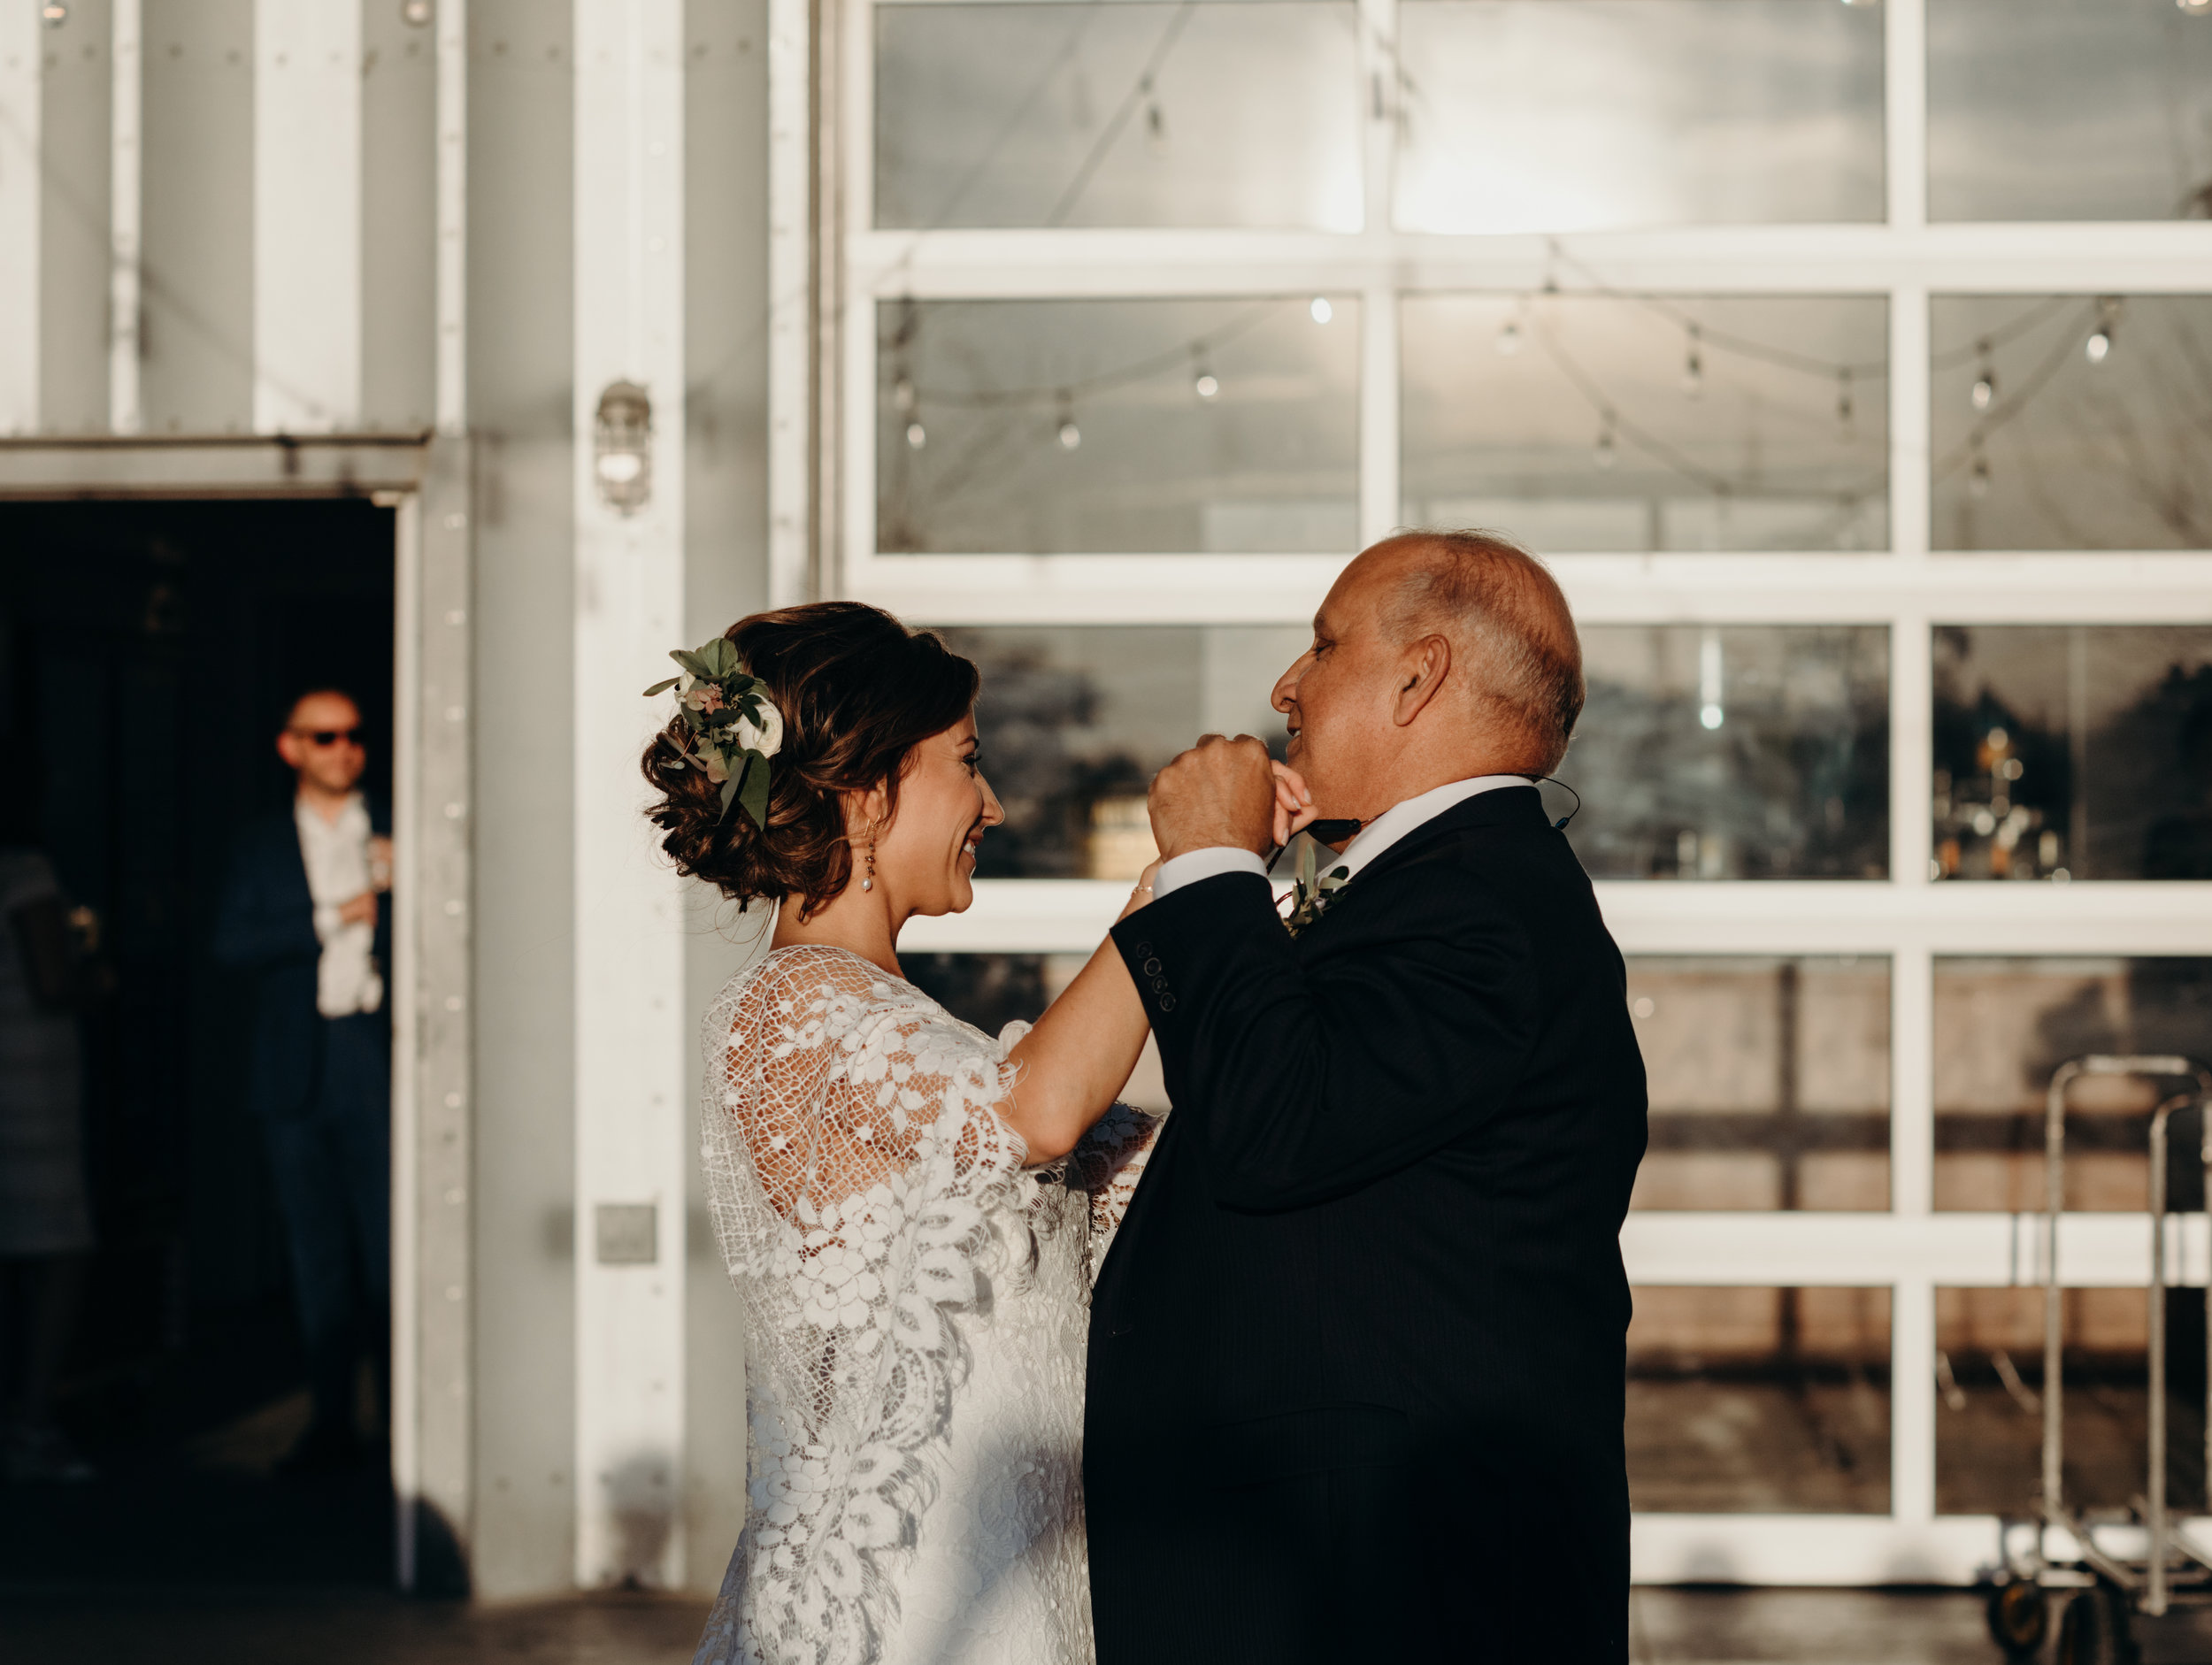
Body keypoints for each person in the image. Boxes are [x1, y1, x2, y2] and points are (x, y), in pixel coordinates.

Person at [655, 603, 1296, 1665]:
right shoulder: (792, 1011)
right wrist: (1183, 880)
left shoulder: (913, 1038)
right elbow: (1037, 1112)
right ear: (866, 796)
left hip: (1023, 1594)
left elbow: (1119, 1151)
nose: (992, 803)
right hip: (909, 1607)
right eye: (966, 759)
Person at [1086, 531, 1650, 1664]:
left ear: (1418, 674)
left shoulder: (1483, 905)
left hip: (1379, 1587)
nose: (1287, 686)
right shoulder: (1450, 889)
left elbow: (1272, 1123)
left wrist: (1208, 862)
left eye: (1324, 645)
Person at [211, 688, 393, 1474]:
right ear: (292, 748)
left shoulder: (394, 822)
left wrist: (403, 890)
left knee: (390, 1250)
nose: (343, 749)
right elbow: (230, 944)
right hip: (293, 1064)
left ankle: (400, 1427)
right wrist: (336, 916)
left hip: (373, 1051)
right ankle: (330, 1423)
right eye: (325, 737)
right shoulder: (259, 842)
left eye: (353, 735)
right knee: (315, 1253)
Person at [0, 748, 104, 1484]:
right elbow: (51, 982)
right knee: (57, 1248)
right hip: (29, 1078)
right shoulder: (28, 873)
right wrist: (95, 969)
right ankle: (33, 1419)